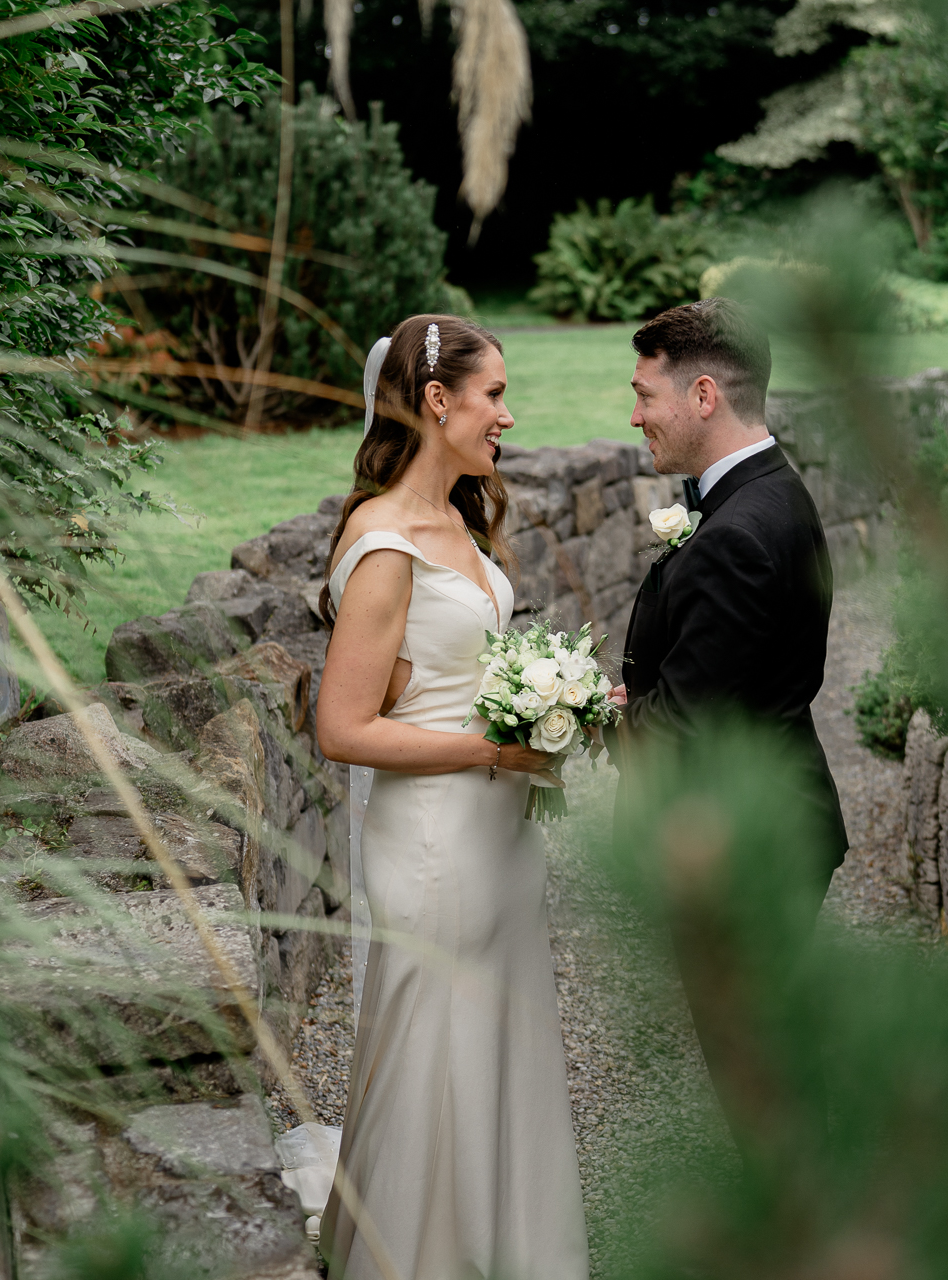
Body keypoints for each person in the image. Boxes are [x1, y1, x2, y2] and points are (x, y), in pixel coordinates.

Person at [312, 315, 589, 1280]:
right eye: (494, 395)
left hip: (496, 836)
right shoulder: (387, 541)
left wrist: (550, 706)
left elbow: (436, 670)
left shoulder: (461, 523)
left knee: (494, 1048)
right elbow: (341, 727)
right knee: (437, 1055)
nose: (507, 415)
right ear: (437, 402)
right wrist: (493, 749)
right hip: (436, 838)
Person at [614, 297, 849, 900]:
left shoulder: (734, 536)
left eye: (644, 395)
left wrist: (604, 718)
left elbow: (688, 723)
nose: (636, 417)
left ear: (702, 396)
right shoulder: (772, 488)